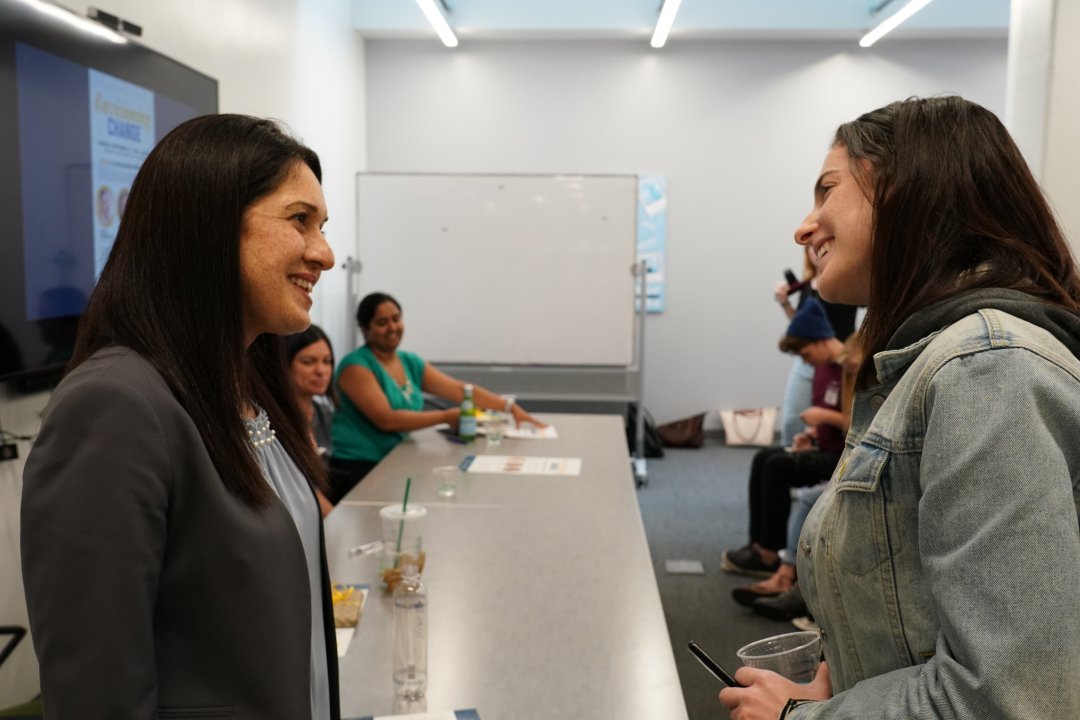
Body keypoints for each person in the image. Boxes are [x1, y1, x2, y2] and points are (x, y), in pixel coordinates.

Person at [720, 96, 1080, 719]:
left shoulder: (985, 368)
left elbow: (1007, 701)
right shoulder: (934, 364)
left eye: (827, 190)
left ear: (907, 192)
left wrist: (801, 717)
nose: (804, 228)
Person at [21, 115, 340, 720]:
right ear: (211, 225)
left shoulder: (249, 385)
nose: (323, 253)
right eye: (300, 220)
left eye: (323, 227)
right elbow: (98, 696)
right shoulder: (116, 405)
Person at [329, 292, 545, 501]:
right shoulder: (355, 366)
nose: (392, 327)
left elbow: (461, 391)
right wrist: (445, 416)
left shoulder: (409, 361)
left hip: (396, 461)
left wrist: (509, 407)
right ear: (365, 329)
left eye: (396, 319)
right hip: (360, 469)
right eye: (382, 322)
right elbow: (387, 420)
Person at [721, 299, 846, 578]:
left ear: (822, 340)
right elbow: (830, 419)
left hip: (841, 457)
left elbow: (855, 424)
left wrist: (822, 417)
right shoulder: (823, 368)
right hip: (824, 446)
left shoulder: (849, 368)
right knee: (763, 457)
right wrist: (811, 434)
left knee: (777, 467)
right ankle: (758, 544)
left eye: (805, 353)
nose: (804, 361)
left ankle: (768, 554)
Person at [775, 248, 858, 446]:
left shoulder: (846, 283)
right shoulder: (805, 287)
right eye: (811, 248)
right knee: (792, 420)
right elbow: (800, 333)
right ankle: (792, 456)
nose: (816, 250)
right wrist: (785, 303)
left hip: (840, 359)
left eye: (821, 246)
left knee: (839, 416)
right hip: (809, 358)